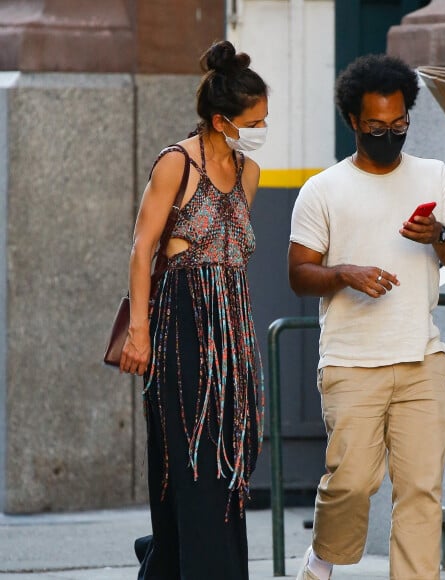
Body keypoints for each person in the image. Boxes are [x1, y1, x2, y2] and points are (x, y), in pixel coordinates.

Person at [289, 54, 445, 580]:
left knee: (420, 490)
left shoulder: (434, 175)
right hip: (351, 361)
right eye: (376, 127)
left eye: (399, 126)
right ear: (353, 121)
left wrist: (439, 235)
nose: (388, 135)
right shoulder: (322, 189)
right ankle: (324, 556)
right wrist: (343, 272)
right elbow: (299, 274)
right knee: (351, 482)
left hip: (421, 357)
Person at [119, 40, 268, 580]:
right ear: (222, 119)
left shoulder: (249, 173)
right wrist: (139, 334)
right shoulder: (175, 164)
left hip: (234, 325)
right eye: (255, 121)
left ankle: (173, 563)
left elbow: (234, 253)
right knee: (192, 463)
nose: (261, 130)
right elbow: (142, 248)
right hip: (182, 320)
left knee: (231, 460)